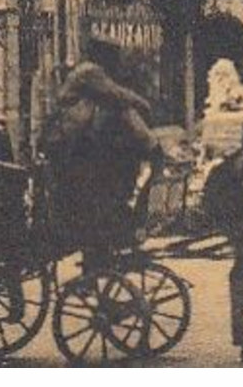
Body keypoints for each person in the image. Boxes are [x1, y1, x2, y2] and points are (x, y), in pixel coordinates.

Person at [42, 39, 158, 262]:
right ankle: (97, 245)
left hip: (71, 139)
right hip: (66, 140)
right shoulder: (90, 72)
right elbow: (117, 94)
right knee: (92, 191)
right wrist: (143, 104)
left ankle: (98, 249)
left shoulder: (88, 78)